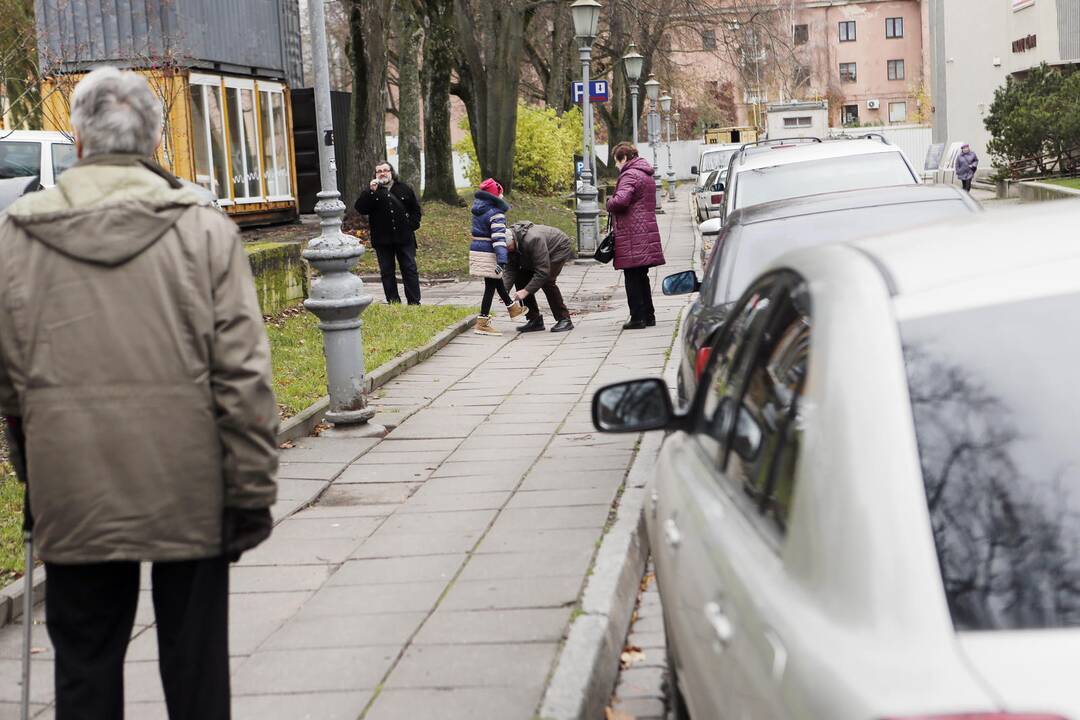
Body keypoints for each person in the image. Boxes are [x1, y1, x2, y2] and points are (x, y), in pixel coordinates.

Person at [0, 67, 279, 720]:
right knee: (196, 665)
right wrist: (252, 491)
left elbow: (7, 376)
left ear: (77, 144)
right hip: (189, 482)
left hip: (72, 482)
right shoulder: (205, 229)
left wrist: (31, 461)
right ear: (155, 140)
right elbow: (242, 373)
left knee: (86, 663)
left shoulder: (16, 237)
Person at [606, 141, 665, 330]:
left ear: (624, 158)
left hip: (633, 234)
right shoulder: (645, 173)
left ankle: (637, 317)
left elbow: (621, 201)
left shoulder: (630, 174)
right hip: (645, 232)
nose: (616, 166)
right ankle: (649, 315)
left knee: (632, 277)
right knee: (641, 276)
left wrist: (609, 201)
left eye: (617, 161)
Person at [354, 160, 422, 304]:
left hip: (405, 238)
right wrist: (370, 192)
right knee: (387, 272)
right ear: (375, 174)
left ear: (391, 172)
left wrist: (411, 226)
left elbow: (416, 211)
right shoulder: (371, 192)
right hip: (382, 239)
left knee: (409, 269)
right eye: (379, 171)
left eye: (385, 170)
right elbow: (361, 208)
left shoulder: (404, 188)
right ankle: (393, 302)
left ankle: (414, 302)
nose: (383, 173)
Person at [469, 178, 524, 335]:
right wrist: (502, 259)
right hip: (490, 252)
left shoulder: (478, 210)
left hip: (478, 249)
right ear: (496, 195)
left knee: (495, 281)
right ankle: (482, 322)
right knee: (490, 286)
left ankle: (512, 308)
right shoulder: (496, 214)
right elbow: (499, 238)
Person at [505, 221, 575, 333]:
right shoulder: (509, 244)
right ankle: (534, 320)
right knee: (521, 277)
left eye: (508, 248)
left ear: (513, 240)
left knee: (547, 281)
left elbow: (543, 272)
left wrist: (526, 291)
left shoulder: (533, 239)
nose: (507, 251)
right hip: (539, 251)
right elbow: (510, 268)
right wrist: (504, 290)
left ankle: (564, 319)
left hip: (558, 248)